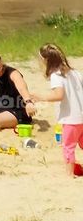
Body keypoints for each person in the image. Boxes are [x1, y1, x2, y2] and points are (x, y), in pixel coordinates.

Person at [27, 43, 83, 177]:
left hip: (71, 119)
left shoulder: (56, 76)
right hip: (81, 116)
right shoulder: (75, 73)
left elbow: (59, 95)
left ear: (46, 61)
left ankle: (69, 174)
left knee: (68, 146)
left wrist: (40, 97)